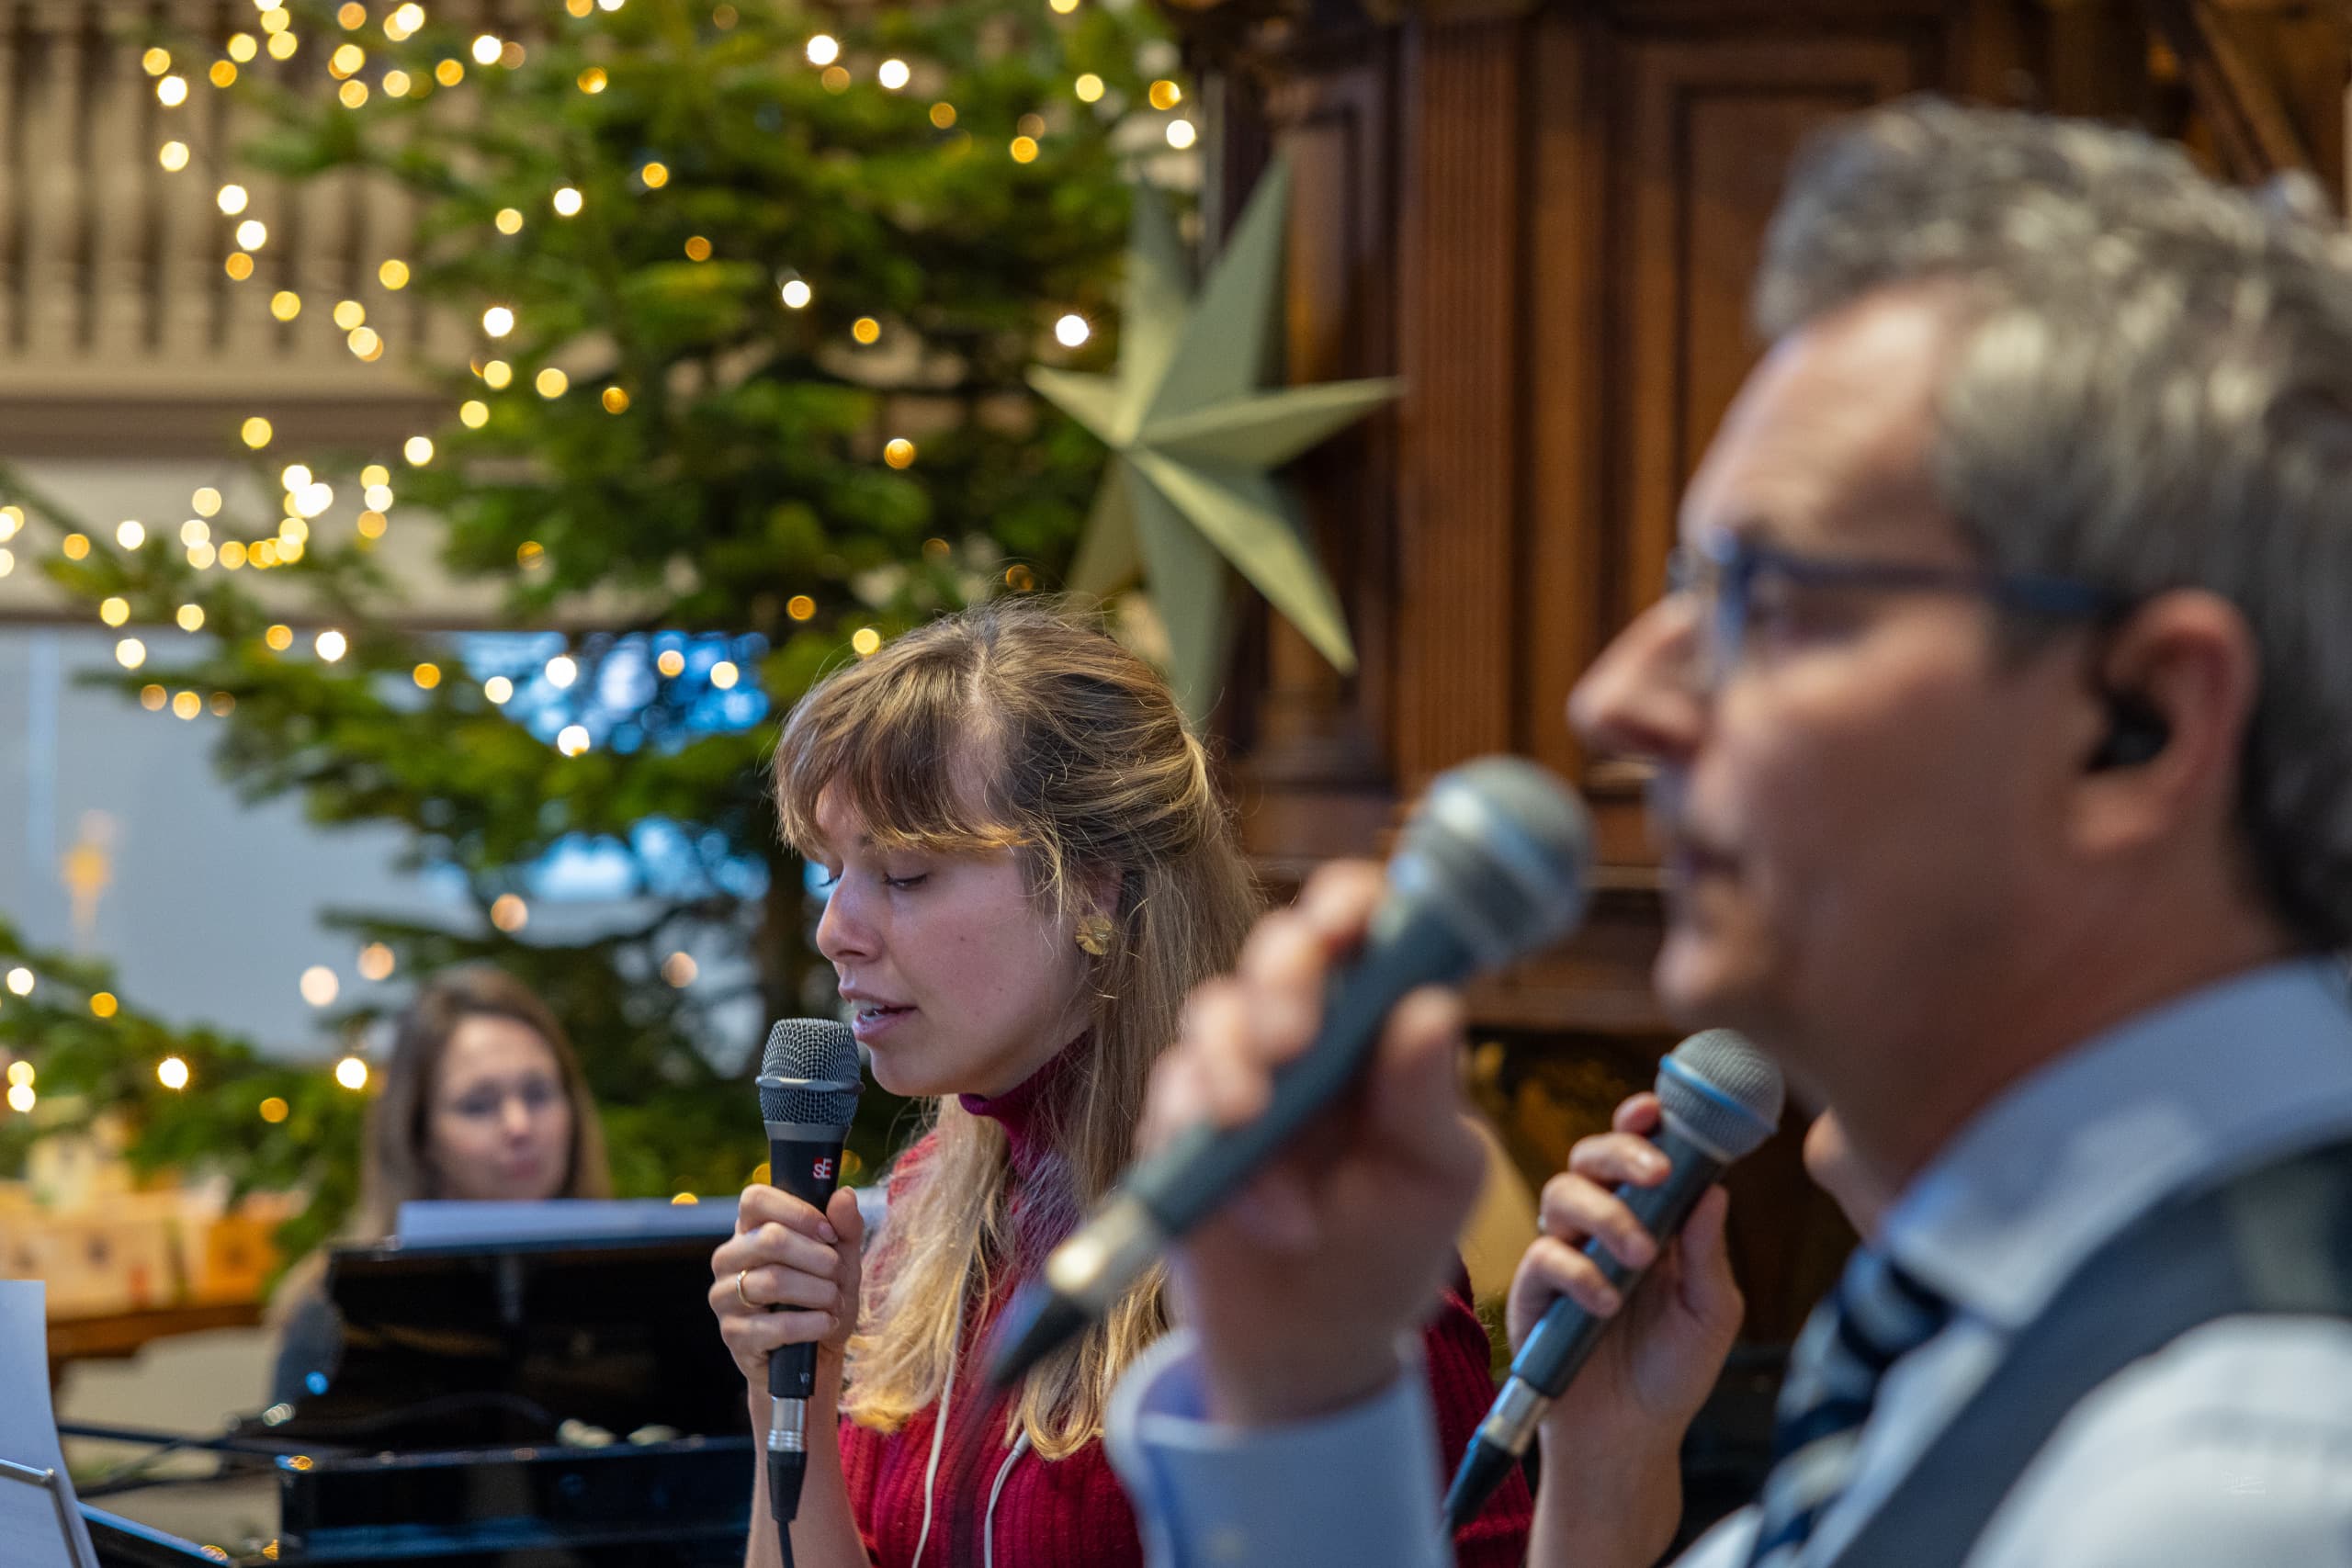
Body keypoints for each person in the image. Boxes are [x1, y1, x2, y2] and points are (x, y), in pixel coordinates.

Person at [1102, 98, 2352, 1567]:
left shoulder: (2231, 1481)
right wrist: (1302, 1379)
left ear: (2136, 720)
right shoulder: (2029, 1329)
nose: (1618, 693)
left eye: (1766, 596)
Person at [706, 599, 1532, 1568]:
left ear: (1094, 884)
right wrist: (785, 1393)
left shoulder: (1299, 1223)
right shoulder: (925, 1206)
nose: (834, 930)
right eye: (831, 874)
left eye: (903, 873)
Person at [266, 964, 614, 1404]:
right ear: (420, 1137)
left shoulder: (639, 1284)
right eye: (478, 1105)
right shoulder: (337, 1315)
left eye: (539, 1093)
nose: (520, 1126)